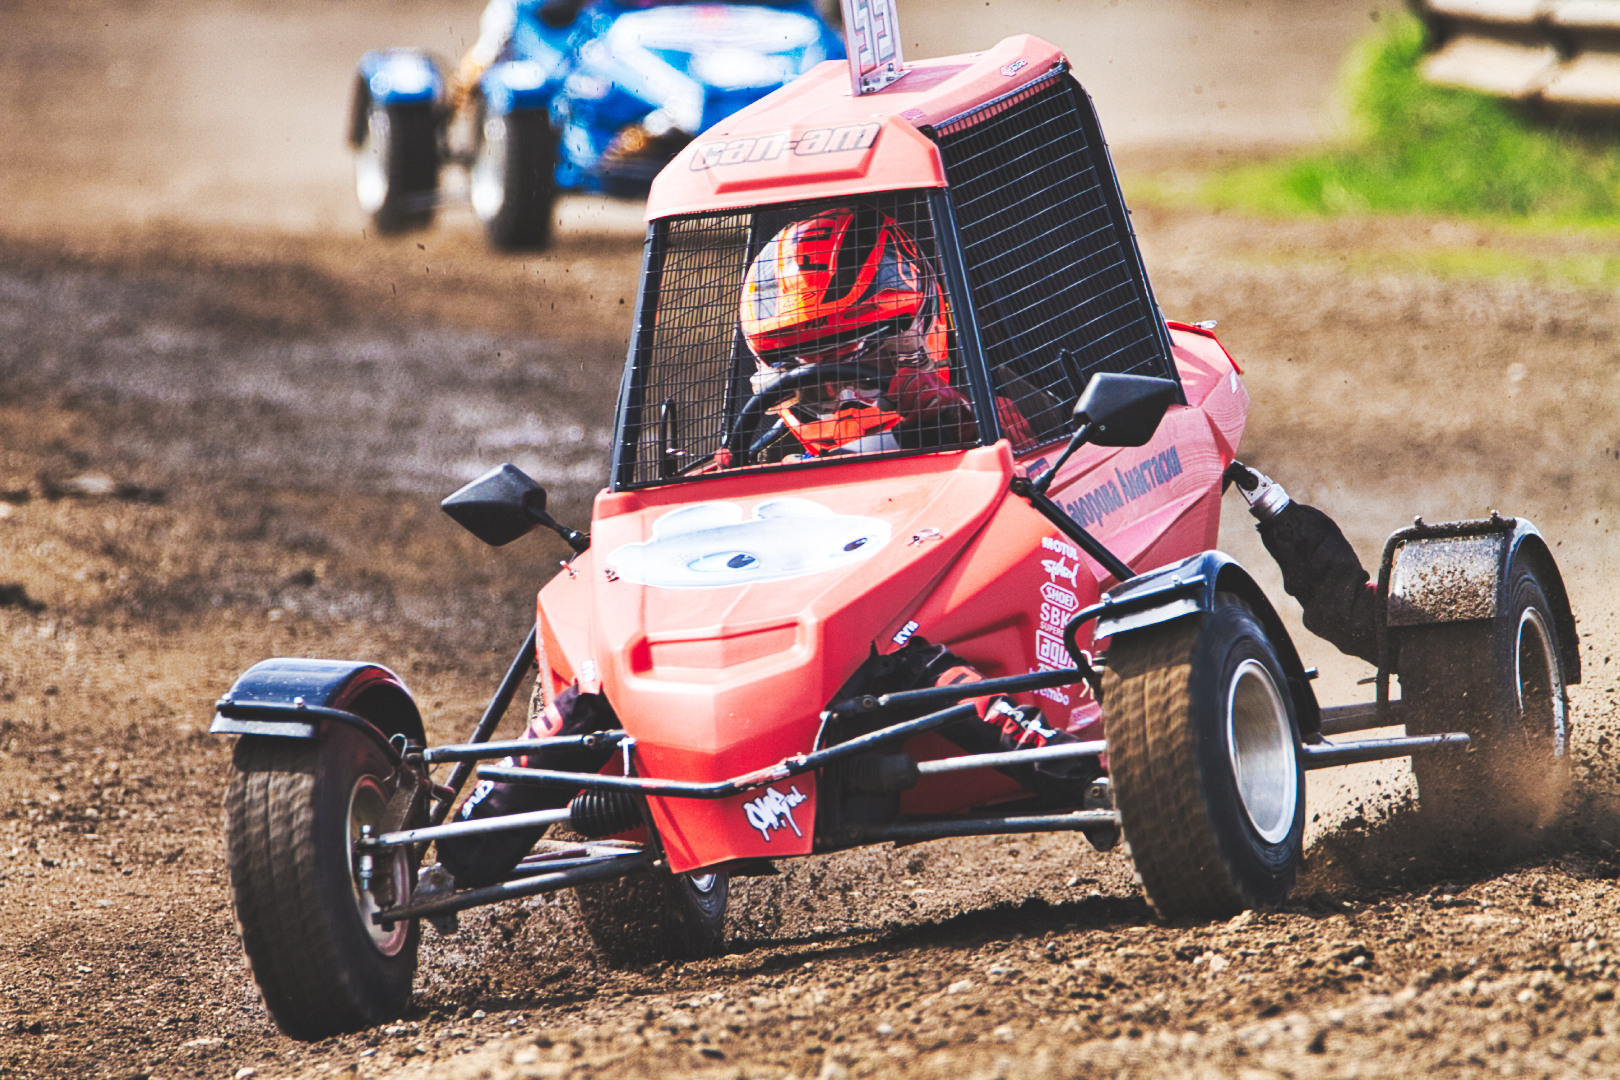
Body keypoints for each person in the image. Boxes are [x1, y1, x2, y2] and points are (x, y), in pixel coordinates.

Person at [738, 206, 1033, 458]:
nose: (847, 400)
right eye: (817, 384)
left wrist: (964, 424)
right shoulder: (761, 464)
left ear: (916, 333)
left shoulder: (993, 413)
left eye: (865, 370)